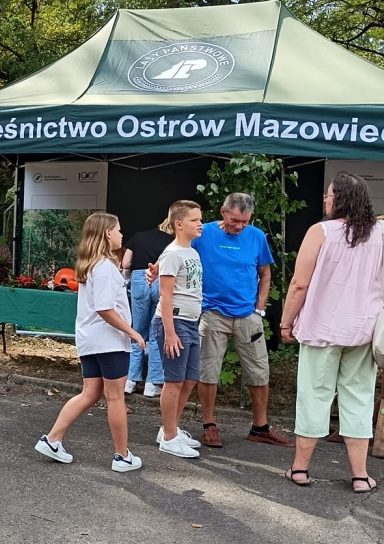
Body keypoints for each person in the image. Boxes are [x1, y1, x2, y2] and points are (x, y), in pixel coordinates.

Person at [280, 172, 384, 493]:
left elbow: (299, 284)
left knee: (314, 396)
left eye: (329, 194)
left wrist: (286, 322)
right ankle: (360, 475)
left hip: (321, 329)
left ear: (339, 199)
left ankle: (300, 469)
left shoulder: (320, 231)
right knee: (359, 399)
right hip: (365, 331)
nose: (325, 200)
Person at [34, 213, 146, 472]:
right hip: (109, 341)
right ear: (107, 233)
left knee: (90, 393)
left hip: (90, 340)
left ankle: (52, 439)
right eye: (118, 230)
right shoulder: (104, 267)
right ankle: (122, 456)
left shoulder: (91, 265)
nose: (121, 235)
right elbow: (105, 308)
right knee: (115, 397)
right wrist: (132, 332)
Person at [192, 193, 293, 450]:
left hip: (248, 314)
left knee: (259, 370)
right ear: (223, 212)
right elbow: (182, 258)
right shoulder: (203, 233)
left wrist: (260, 307)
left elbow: (265, 273)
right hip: (212, 312)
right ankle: (209, 424)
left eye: (245, 221)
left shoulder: (256, 236)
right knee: (208, 370)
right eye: (235, 220)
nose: (240, 226)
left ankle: (260, 427)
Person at [153, 200, 205, 459]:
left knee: (190, 378)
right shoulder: (172, 253)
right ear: (179, 224)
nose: (200, 224)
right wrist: (170, 332)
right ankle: (169, 438)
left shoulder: (191, 252)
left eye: (200, 219)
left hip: (192, 323)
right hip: (175, 322)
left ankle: (169, 428)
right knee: (173, 381)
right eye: (194, 220)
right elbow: (165, 295)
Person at [122, 217, 172, 400]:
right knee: (157, 332)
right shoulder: (172, 242)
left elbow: (125, 263)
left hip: (138, 279)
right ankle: (152, 384)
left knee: (137, 330)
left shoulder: (138, 237)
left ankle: (130, 381)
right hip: (161, 280)